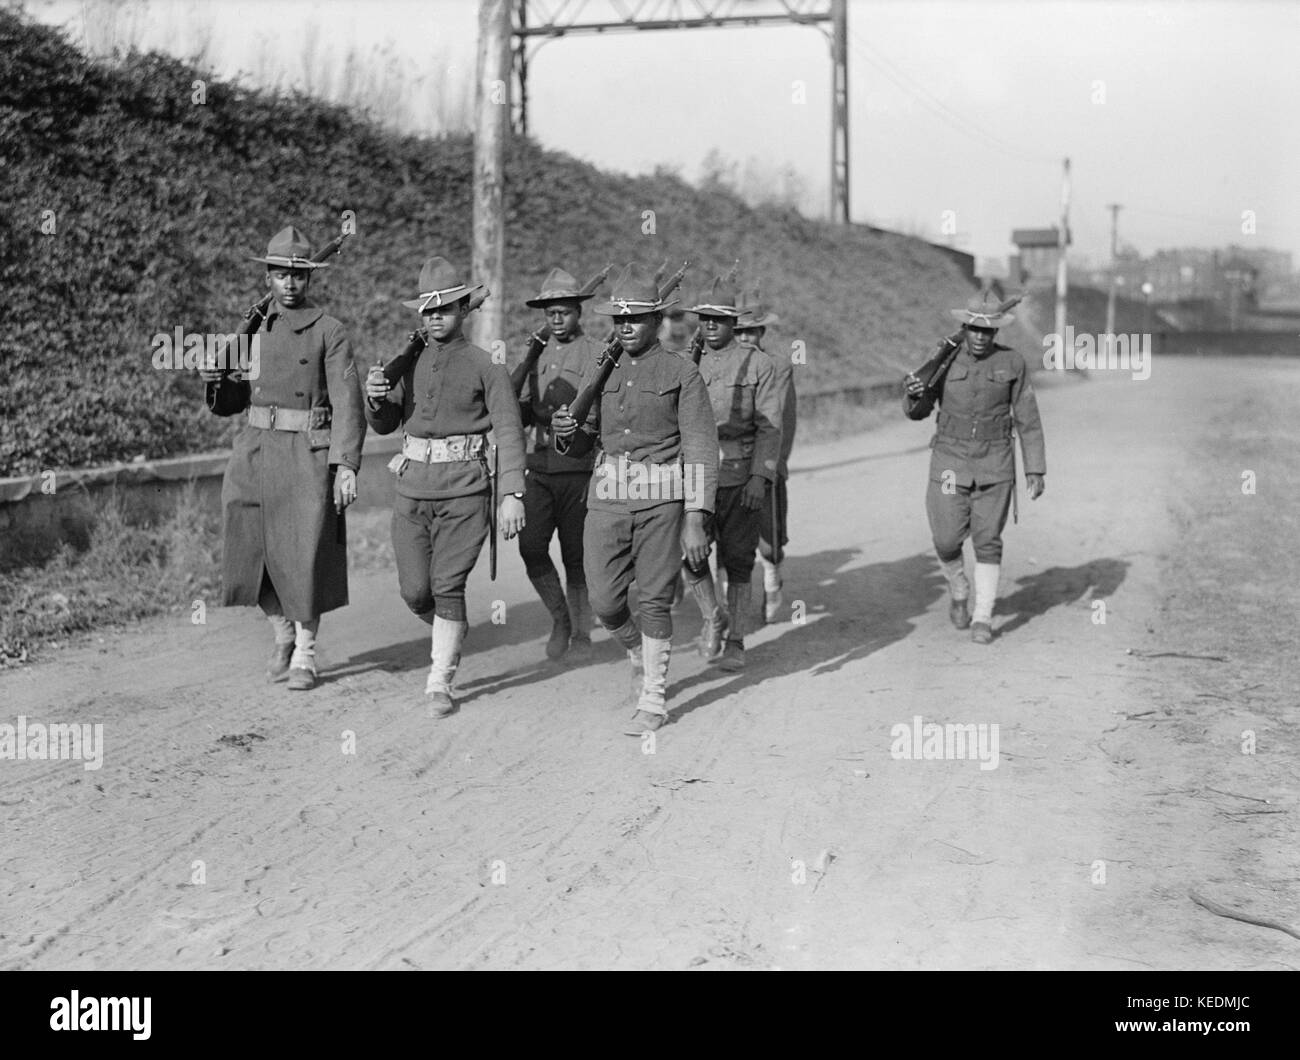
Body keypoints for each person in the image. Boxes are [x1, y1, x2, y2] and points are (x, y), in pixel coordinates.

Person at [550, 263, 718, 733]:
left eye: (637, 319)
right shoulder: (598, 368)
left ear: (656, 320)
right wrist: (567, 433)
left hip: (661, 498)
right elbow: (583, 441)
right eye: (619, 319)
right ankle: (635, 653)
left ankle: (654, 695)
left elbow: (701, 447)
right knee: (604, 600)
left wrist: (695, 516)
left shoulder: (681, 372)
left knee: (655, 599)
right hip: (607, 495)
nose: (626, 327)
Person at [199, 225, 365, 692]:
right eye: (279, 274)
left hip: (306, 451)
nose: (289, 284)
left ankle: (307, 654)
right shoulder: (253, 325)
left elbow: (349, 401)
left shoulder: (329, 331)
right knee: (249, 545)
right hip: (254, 447)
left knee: (303, 554)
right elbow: (231, 401)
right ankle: (281, 633)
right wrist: (217, 378)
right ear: (267, 276)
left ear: (309, 279)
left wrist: (346, 464)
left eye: (298, 276)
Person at [364, 256, 526, 716]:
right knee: (416, 592)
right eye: (428, 310)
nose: (436, 316)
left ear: (463, 310)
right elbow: (386, 423)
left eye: (446, 308)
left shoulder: (484, 365)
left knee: (447, 584)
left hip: (465, 492)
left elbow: (509, 429)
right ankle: (451, 629)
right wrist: (376, 400)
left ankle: (440, 680)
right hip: (412, 488)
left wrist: (512, 494)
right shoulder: (408, 363)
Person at [903, 289, 1046, 644]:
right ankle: (957, 584)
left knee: (987, 540)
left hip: (995, 463)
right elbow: (917, 412)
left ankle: (983, 617)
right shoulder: (944, 360)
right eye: (974, 329)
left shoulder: (1013, 363)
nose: (981, 336)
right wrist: (913, 393)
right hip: (950, 462)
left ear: (997, 332)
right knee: (946, 538)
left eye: (988, 331)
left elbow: (1028, 418)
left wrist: (1035, 469)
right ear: (964, 327)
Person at [679, 276, 782, 671]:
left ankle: (736, 639)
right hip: (695, 477)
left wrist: (760, 477)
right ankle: (711, 617)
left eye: (718, 320)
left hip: (740, 475)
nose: (709, 326)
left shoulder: (759, 364)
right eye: (704, 318)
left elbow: (770, 428)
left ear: (733, 322)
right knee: (690, 554)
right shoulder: (685, 363)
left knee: (738, 559)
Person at [516, 268, 600, 661]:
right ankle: (560, 618)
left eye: (564, 312)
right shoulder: (534, 353)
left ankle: (582, 634)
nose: (557, 319)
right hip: (540, 465)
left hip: (580, 467)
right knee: (531, 546)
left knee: (576, 556)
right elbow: (516, 408)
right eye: (551, 312)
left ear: (578, 313)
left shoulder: (596, 352)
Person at [735, 289, 794, 623]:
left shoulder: (778, 366)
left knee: (768, 541)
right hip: (726, 462)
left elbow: (781, 421)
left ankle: (772, 579)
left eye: (751, 331)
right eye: (739, 330)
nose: (745, 337)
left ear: (762, 333)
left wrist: (773, 467)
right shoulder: (716, 363)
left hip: (765, 460)